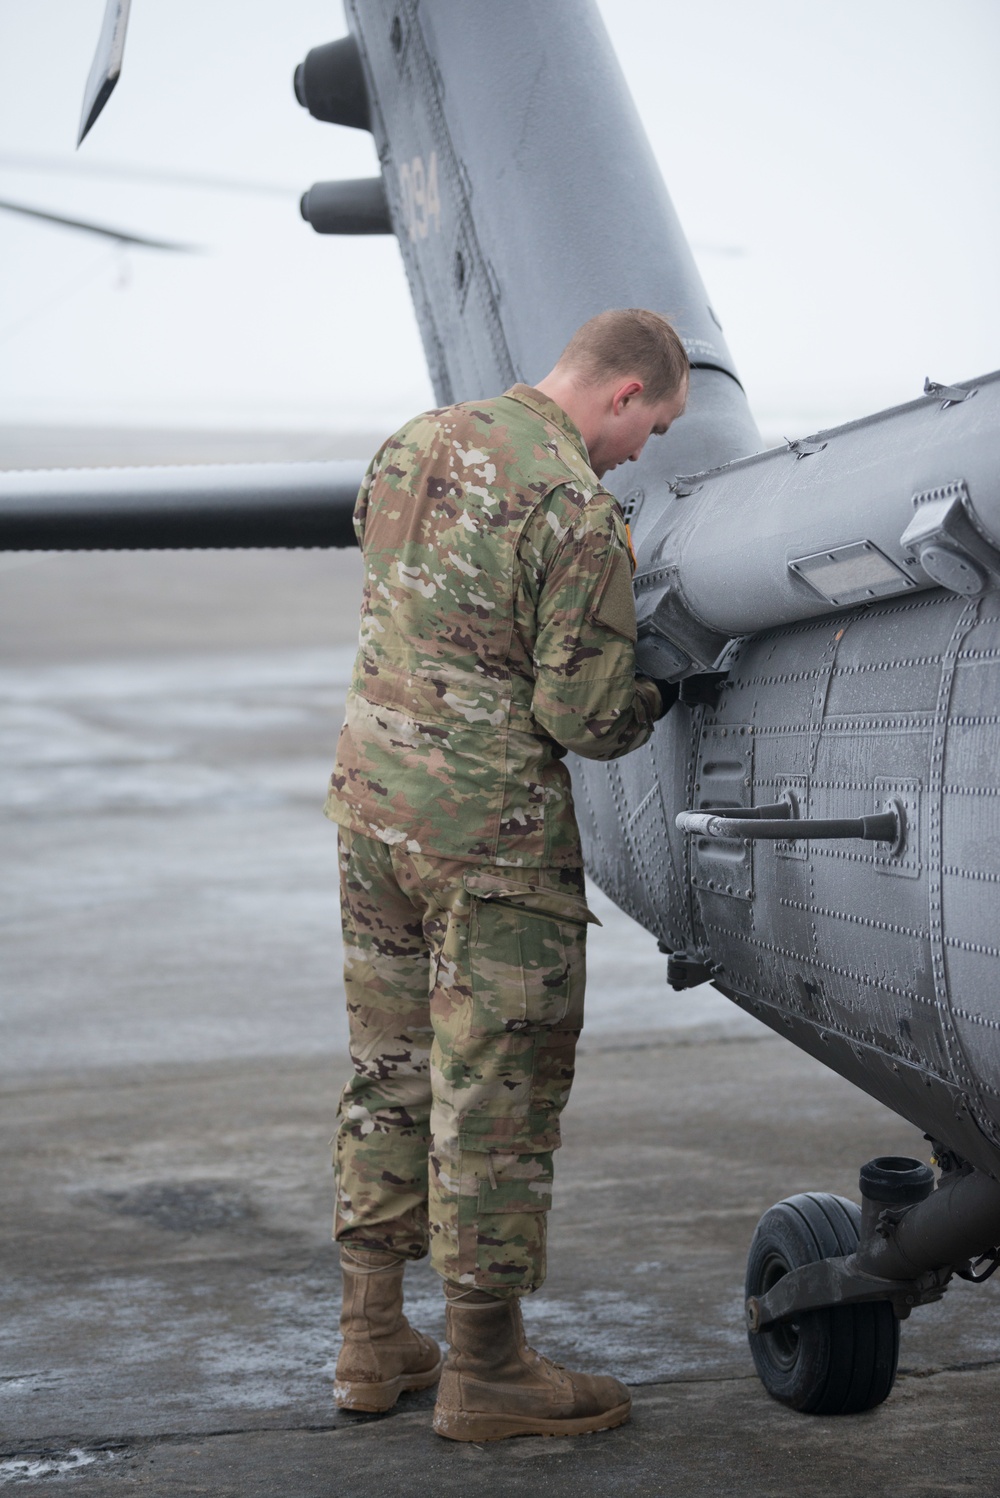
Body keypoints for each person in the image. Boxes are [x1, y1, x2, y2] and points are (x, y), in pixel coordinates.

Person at [324, 307, 688, 1442]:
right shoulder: (575, 508)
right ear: (621, 393)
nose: (644, 452)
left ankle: (371, 1338)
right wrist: (664, 691)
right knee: (495, 1097)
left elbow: (399, 595)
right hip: (491, 845)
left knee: (389, 1070)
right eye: (655, 426)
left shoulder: (410, 442)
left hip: (373, 817)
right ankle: (486, 1369)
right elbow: (580, 716)